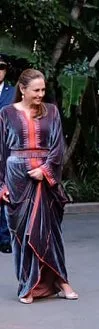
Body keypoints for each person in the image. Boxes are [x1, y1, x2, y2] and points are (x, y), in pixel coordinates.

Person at [0, 69, 78, 304]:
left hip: (44, 179)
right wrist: (1, 184)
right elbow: (1, 152)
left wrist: (44, 171)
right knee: (21, 235)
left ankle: (63, 282)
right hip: (16, 179)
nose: (40, 94)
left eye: (43, 90)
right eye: (36, 90)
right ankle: (28, 285)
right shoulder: (6, 114)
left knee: (50, 232)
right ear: (22, 90)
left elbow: (58, 147)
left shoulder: (51, 112)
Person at [0, 54, 15, 254]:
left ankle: (4, 238)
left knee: (4, 195)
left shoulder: (13, 94)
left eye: (1, 67)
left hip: (7, 151)